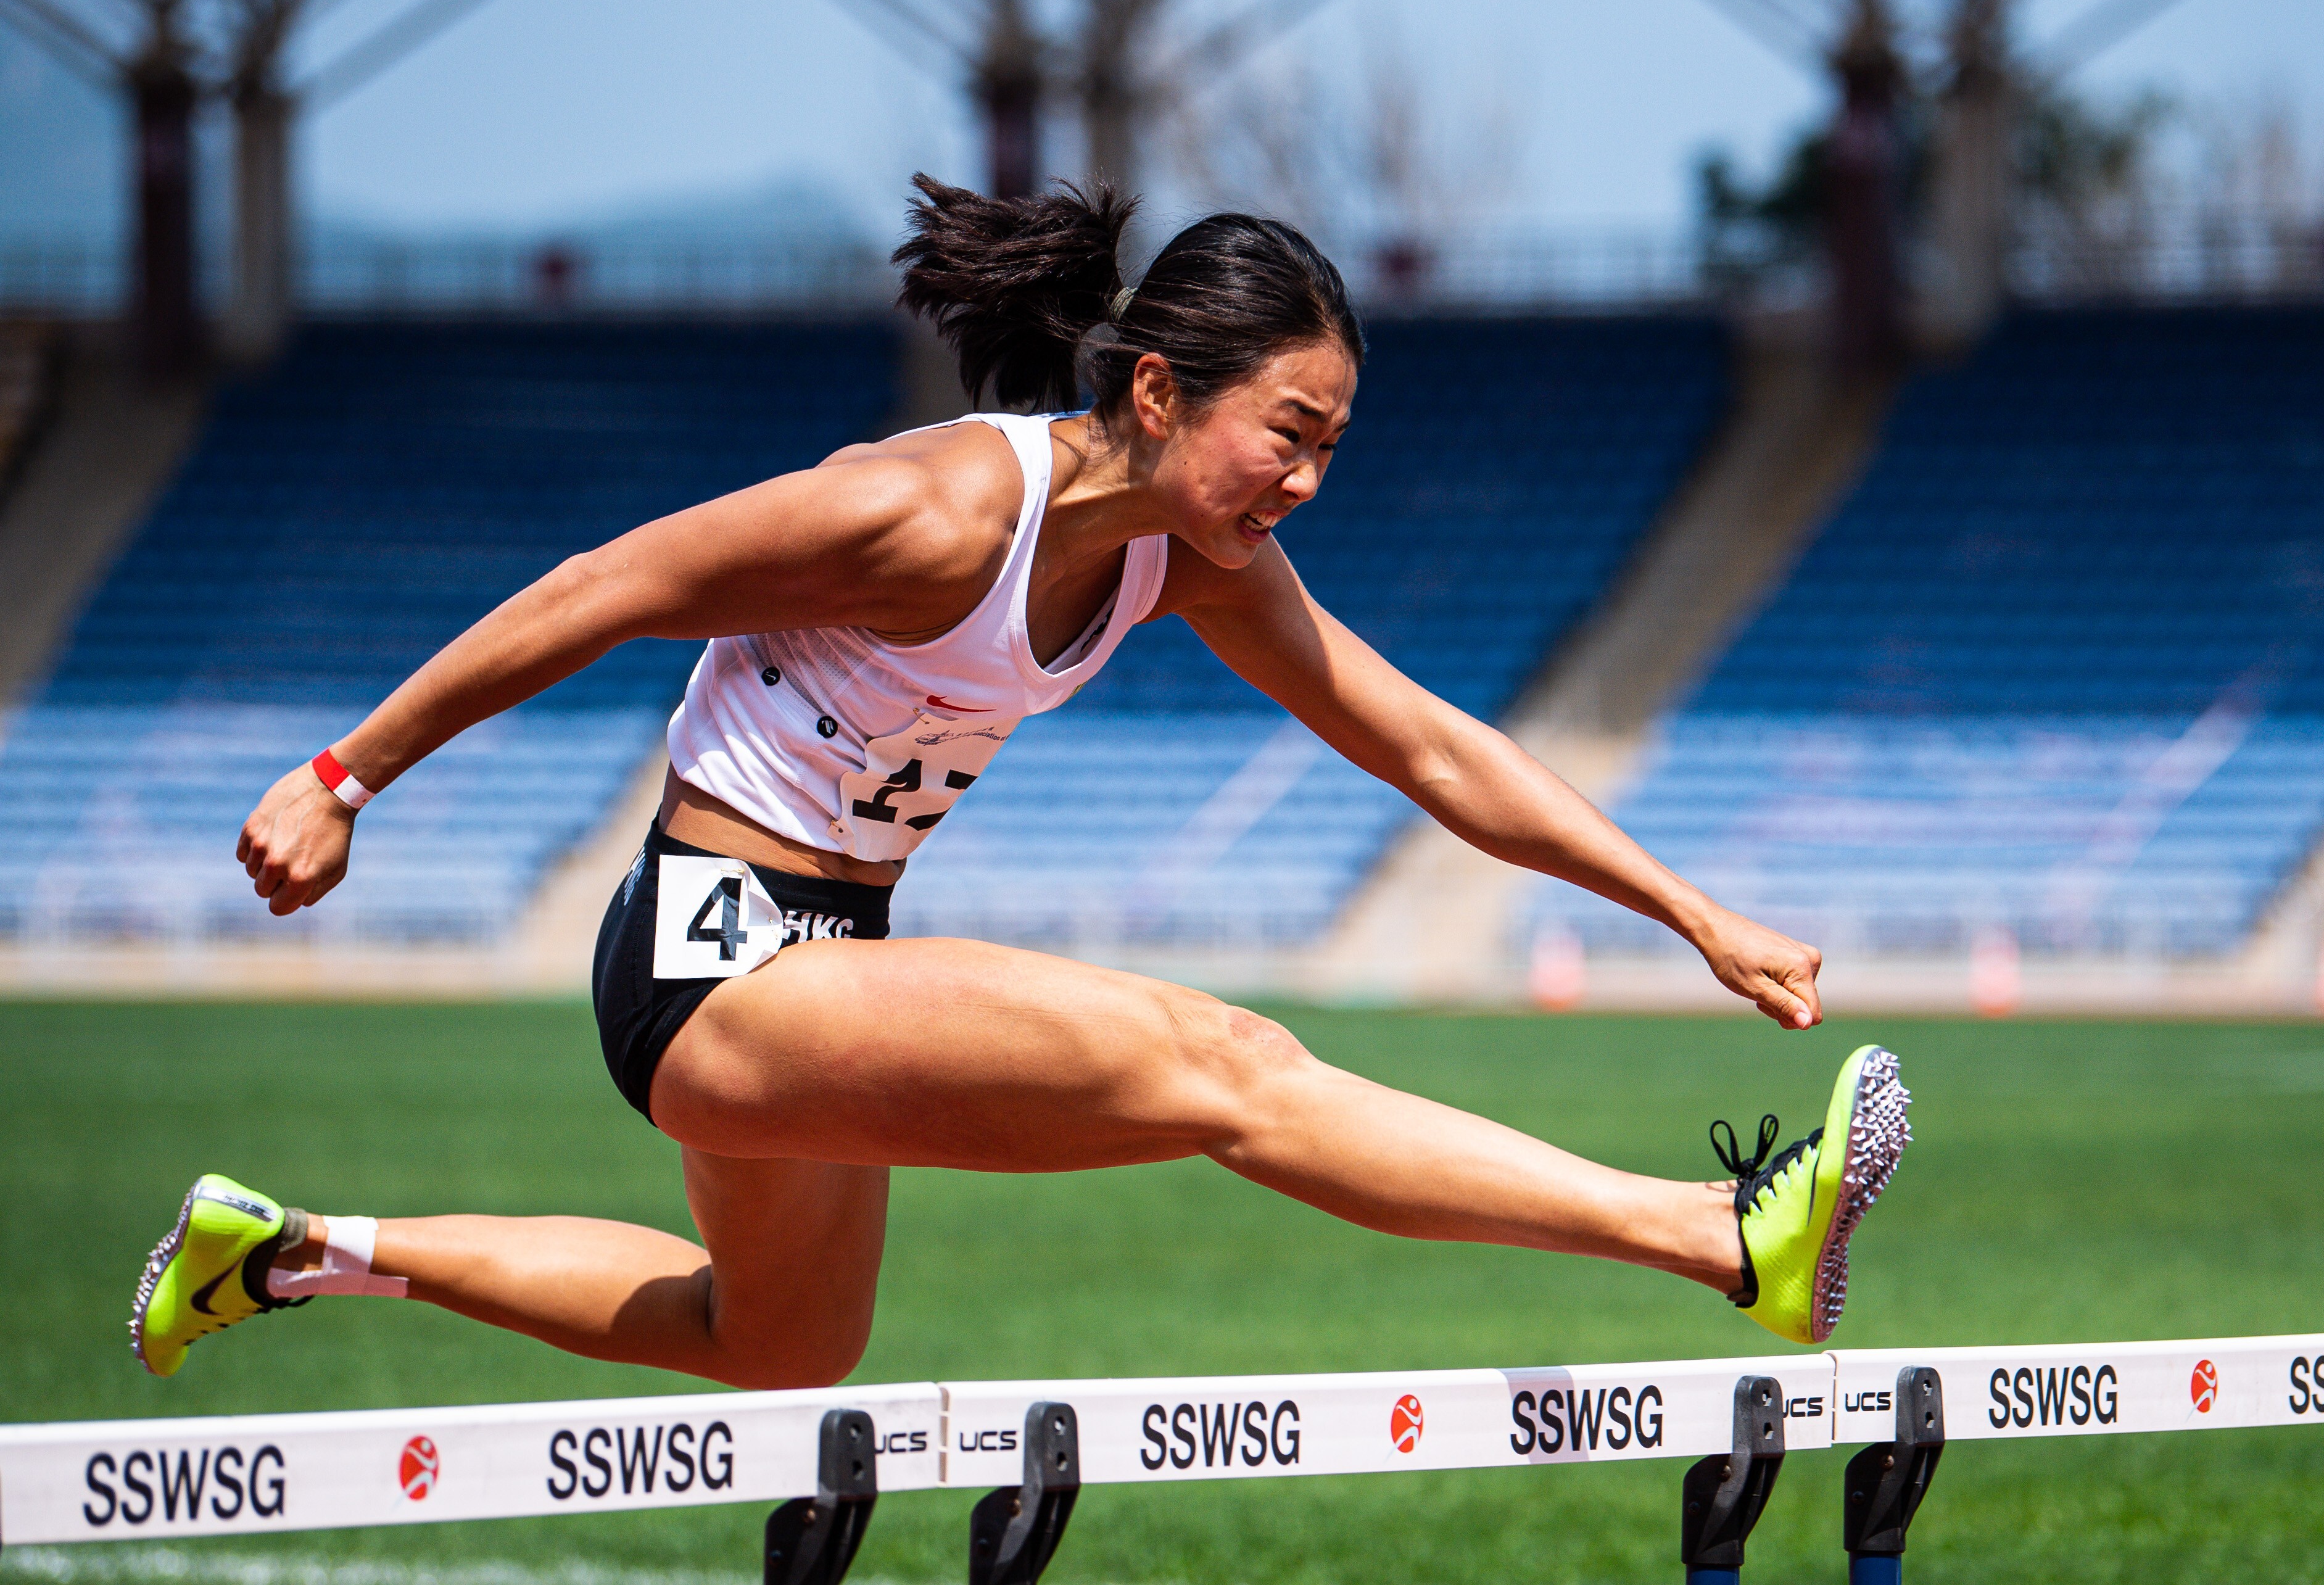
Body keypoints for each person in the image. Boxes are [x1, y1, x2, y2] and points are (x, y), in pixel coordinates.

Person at [134, 177, 1908, 1387]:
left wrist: (1682, 908)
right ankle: (1711, 1233)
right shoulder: (924, 512)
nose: (1303, 480)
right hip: (710, 960)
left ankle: (291, 1251)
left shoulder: (1193, 555)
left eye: (1331, 448)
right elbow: (604, 588)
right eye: (1287, 434)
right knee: (1226, 1064)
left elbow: (1425, 740)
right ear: (1158, 386)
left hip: (822, 952)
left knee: (775, 1343)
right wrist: (344, 773)